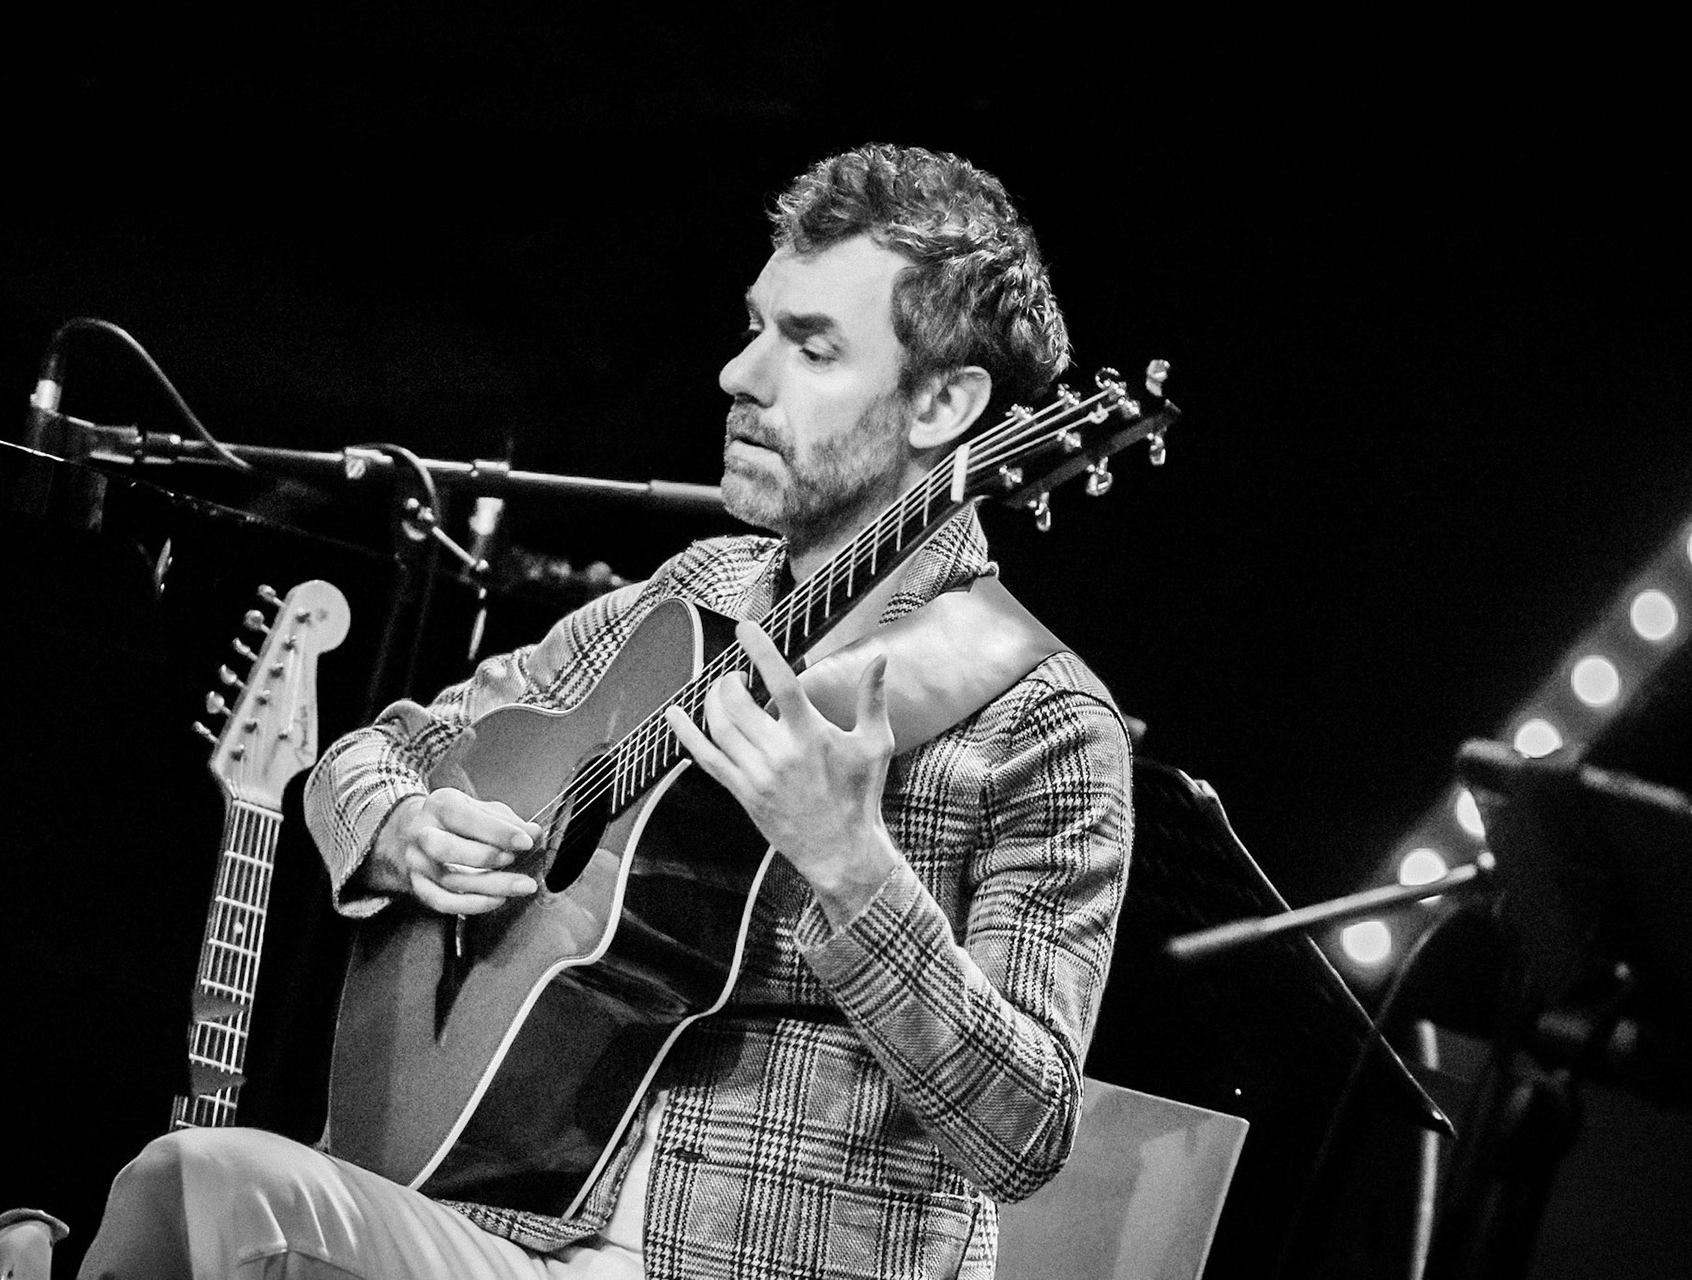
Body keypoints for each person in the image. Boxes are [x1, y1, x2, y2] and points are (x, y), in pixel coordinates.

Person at [78, 142, 1132, 1280]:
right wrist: (398, 830)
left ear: (945, 402)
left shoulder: (1039, 721)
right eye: (756, 325)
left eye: (811, 345)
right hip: (497, 1226)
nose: (740, 374)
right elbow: (375, 749)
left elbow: (1028, 1131)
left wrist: (853, 867)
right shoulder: (692, 597)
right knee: (187, 1180)